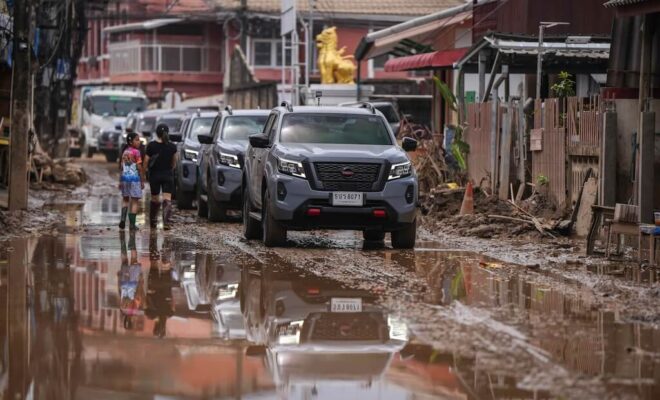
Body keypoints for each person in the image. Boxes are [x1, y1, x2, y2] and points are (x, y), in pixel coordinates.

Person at [144, 124, 178, 230]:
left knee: (155, 199)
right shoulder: (172, 146)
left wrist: (146, 171)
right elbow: (174, 162)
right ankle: (166, 222)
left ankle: (153, 223)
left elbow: (146, 161)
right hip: (167, 175)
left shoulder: (151, 146)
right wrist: (170, 169)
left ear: (156, 133)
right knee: (167, 199)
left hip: (154, 175)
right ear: (167, 133)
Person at [118, 132, 145, 230]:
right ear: (130, 141)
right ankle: (132, 225)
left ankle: (122, 220)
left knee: (125, 199)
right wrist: (142, 180)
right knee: (134, 201)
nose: (139, 142)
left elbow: (121, 167)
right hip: (134, 179)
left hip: (125, 179)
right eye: (137, 140)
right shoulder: (136, 152)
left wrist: (120, 181)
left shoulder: (125, 152)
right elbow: (139, 167)